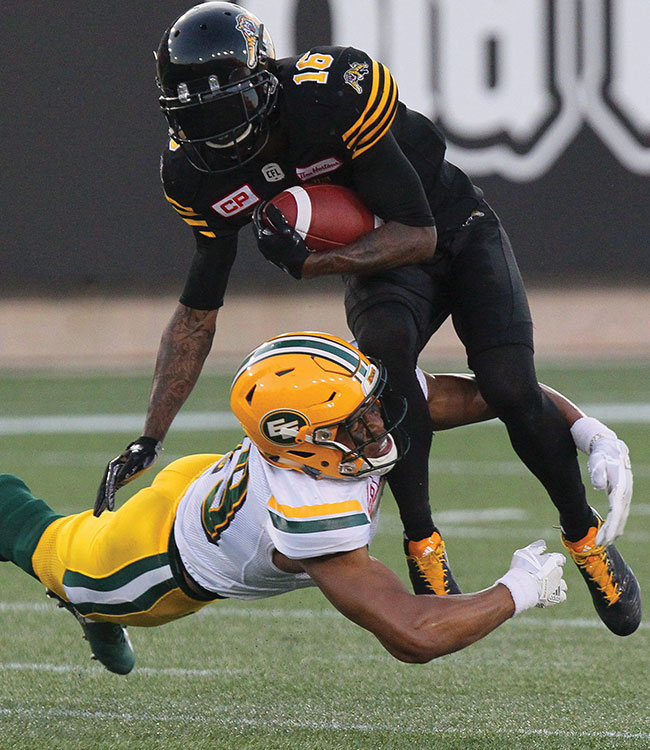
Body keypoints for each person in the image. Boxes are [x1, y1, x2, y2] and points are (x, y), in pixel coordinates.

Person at [95, 3, 640, 631]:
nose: (218, 135)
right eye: (200, 121)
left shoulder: (332, 93)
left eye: (227, 111)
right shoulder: (191, 173)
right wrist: (150, 435)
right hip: (380, 265)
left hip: (449, 226)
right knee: (386, 375)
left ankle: (586, 539)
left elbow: (419, 234)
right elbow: (196, 313)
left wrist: (309, 266)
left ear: (264, 79)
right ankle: (422, 545)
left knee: (510, 384)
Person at [1, 333, 573, 676]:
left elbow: (493, 393)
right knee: (32, 530)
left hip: (202, 482)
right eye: (357, 422)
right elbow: (412, 634)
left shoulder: (324, 437)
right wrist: (518, 589)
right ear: (305, 438)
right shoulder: (310, 510)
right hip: (147, 565)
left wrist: (585, 428)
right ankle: (90, 605)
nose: (379, 423)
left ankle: (88, 606)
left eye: (370, 405)